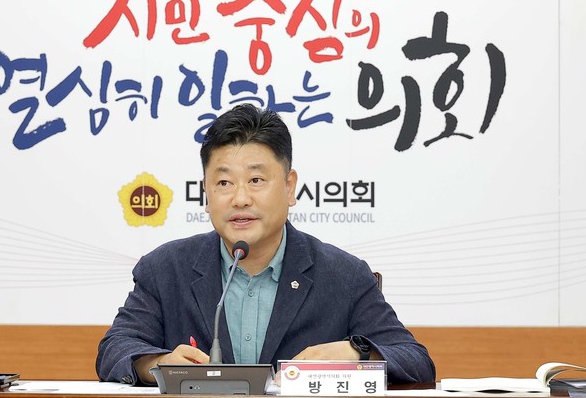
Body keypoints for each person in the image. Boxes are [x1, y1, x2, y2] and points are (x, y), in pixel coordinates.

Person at [96, 104, 436, 385]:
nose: (240, 198)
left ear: (289, 187)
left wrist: (356, 352)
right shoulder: (165, 269)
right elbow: (115, 349)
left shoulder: (343, 275)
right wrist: (159, 364)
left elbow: (416, 361)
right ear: (206, 193)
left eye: (256, 180)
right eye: (224, 182)